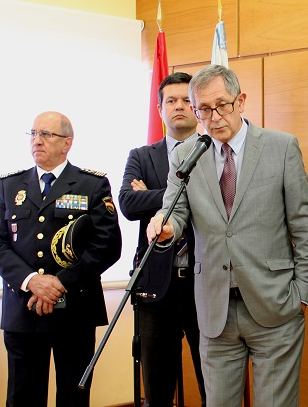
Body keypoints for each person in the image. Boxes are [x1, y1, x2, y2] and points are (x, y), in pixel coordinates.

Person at [146, 64, 308, 407]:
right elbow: (175, 212)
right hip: (214, 308)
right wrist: (165, 228)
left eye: (222, 105)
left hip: (275, 302)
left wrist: (304, 291)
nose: (213, 118)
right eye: (203, 110)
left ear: (240, 101)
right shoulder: (185, 153)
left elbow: (304, 225)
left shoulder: (280, 147)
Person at [0, 111, 122, 406]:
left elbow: (107, 245)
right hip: (23, 308)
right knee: (23, 397)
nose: (37, 141)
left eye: (46, 135)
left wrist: (59, 283)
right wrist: (32, 281)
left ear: (67, 143)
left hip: (74, 309)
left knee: (74, 397)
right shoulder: (10, 186)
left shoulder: (91, 185)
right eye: (33, 134)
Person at [119, 72, 206, 406]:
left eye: (187, 100)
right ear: (160, 109)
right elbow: (128, 204)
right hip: (155, 286)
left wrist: (152, 195)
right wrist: (181, 194)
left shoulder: (213, 151)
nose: (179, 106)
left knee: (213, 382)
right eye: (171, 101)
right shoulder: (141, 156)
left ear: (197, 108)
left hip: (204, 283)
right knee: (156, 387)